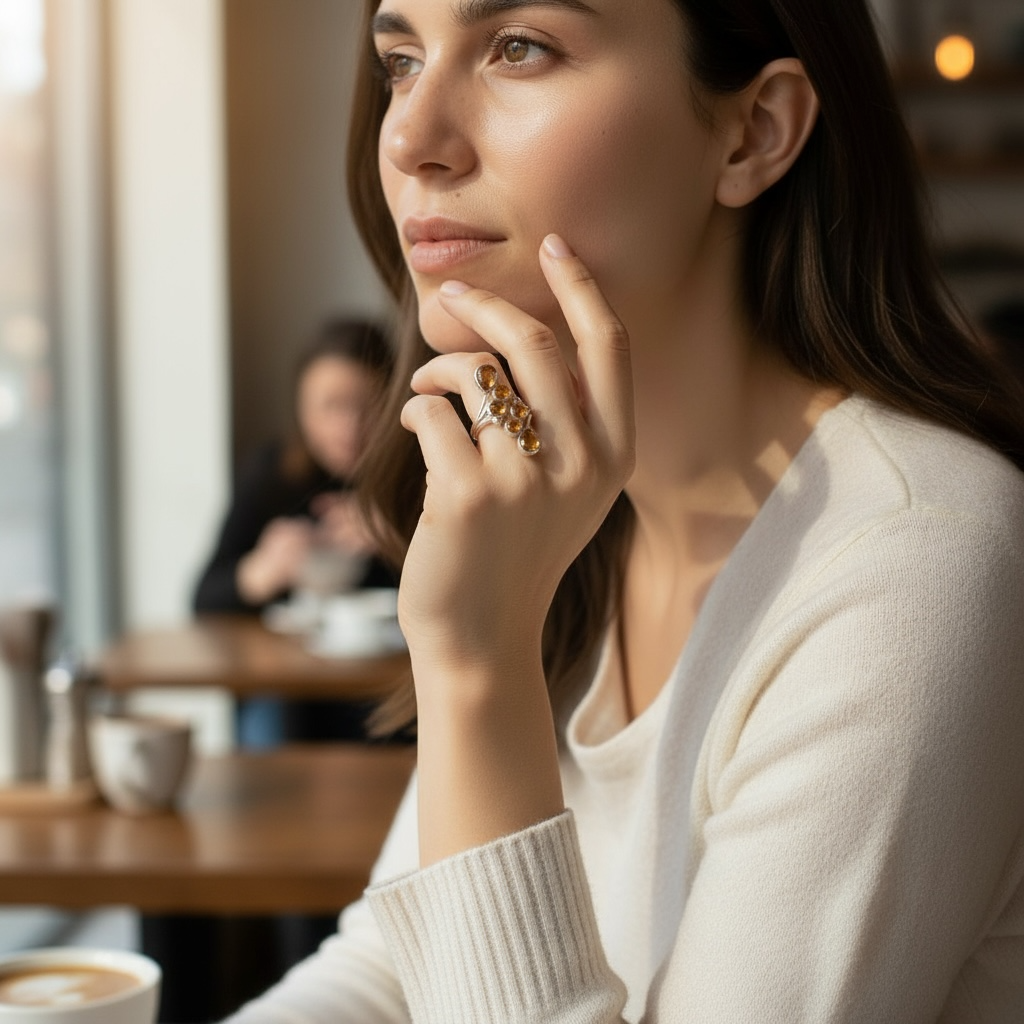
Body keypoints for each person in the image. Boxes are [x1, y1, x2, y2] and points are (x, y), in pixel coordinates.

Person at [224, 0, 1024, 1021]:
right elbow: (386, 968)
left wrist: (477, 665)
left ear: (754, 131)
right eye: (401, 60)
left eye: (520, 47)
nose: (409, 137)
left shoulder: (916, 559)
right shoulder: (569, 514)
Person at [193, 316, 397, 746]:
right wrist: (263, 571)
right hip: (297, 697)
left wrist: (399, 539)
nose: (350, 427)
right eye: (330, 406)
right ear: (301, 408)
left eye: (366, 404)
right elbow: (204, 598)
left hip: (391, 690)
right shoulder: (274, 474)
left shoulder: (418, 477)